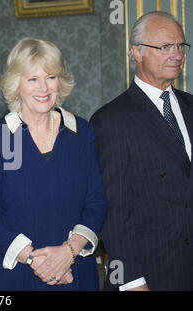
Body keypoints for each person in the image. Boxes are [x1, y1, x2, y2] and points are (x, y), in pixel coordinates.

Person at [0, 37, 108, 290]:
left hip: (75, 270)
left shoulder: (82, 132)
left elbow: (96, 202)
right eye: (32, 79)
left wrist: (69, 252)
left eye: (50, 77)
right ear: (17, 84)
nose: (43, 88)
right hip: (16, 275)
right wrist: (39, 261)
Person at [90, 11, 193, 291]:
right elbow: (114, 212)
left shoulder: (190, 107)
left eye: (180, 46)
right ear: (136, 52)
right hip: (149, 276)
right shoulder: (111, 120)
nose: (176, 55)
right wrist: (131, 281)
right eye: (164, 47)